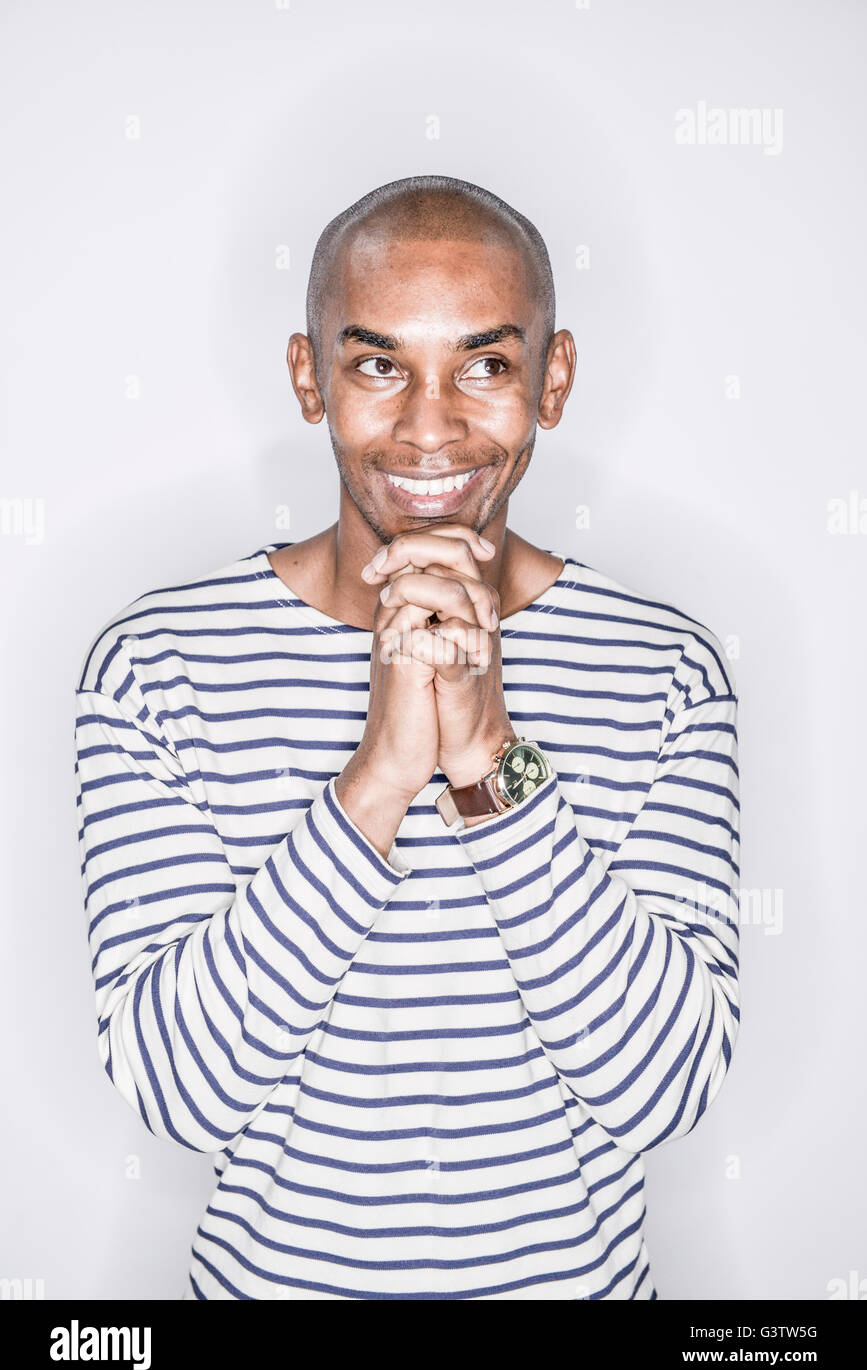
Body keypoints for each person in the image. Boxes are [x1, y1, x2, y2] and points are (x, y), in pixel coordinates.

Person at [74, 174, 740, 1300]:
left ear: (554, 379)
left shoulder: (667, 667)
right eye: (379, 364)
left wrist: (487, 763)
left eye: (485, 364)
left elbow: (665, 1091)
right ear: (309, 377)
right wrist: (377, 777)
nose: (431, 428)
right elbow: (178, 1095)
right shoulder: (156, 665)